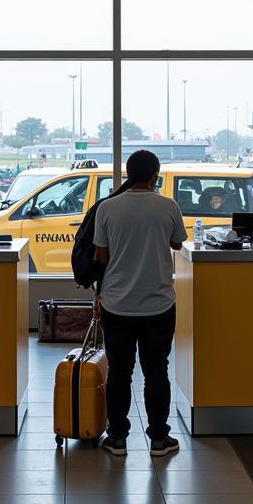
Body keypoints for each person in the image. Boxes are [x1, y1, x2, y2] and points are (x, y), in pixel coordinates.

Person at [93, 149, 184, 457]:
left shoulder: (107, 208)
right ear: (154, 176)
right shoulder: (168, 206)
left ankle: (117, 437)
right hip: (158, 303)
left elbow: (101, 257)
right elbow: (177, 242)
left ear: (127, 175)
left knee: (120, 370)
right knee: (157, 370)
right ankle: (159, 438)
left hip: (117, 303)